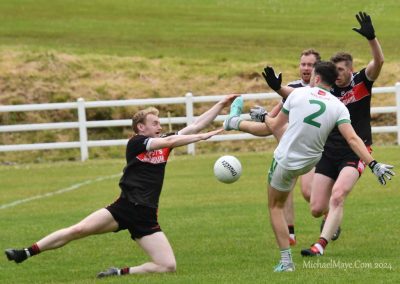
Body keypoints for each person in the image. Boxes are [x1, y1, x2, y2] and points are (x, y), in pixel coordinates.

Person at [5, 94, 238, 278]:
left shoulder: (164, 144)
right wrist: (201, 137)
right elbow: (174, 138)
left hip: (146, 216)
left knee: (168, 266)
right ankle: (25, 252)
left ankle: (119, 272)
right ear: (140, 128)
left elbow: (196, 125)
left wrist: (221, 104)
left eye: (159, 123)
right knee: (78, 230)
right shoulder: (136, 143)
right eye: (154, 123)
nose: (159, 125)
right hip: (123, 207)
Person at [224, 61, 394, 272]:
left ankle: (286, 263)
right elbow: (352, 138)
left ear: (315, 78)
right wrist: (374, 164)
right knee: (287, 137)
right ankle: (232, 122)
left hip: (286, 162)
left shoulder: (297, 95)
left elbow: (273, 125)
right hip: (310, 163)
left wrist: (264, 115)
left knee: (275, 206)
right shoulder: (339, 106)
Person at [262, 49, 322, 246]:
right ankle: (290, 234)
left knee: (307, 192)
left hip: (309, 149)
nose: (306, 68)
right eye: (303, 64)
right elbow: (276, 115)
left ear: (317, 68)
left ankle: (330, 215)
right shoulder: (290, 88)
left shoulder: (323, 91)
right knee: (284, 191)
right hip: (289, 148)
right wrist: (264, 117)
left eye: (310, 64)